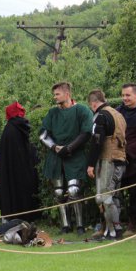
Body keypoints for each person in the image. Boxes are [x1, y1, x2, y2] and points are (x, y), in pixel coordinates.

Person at [40, 82, 93, 234]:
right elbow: (43, 134)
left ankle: (81, 225)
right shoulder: (52, 113)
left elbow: (86, 132)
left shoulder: (81, 110)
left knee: (74, 190)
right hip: (56, 156)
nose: (54, 97)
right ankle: (65, 225)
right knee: (58, 192)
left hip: (75, 156)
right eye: (54, 94)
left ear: (67, 94)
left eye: (57, 94)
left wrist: (69, 148)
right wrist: (55, 147)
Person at [86, 89, 126, 239]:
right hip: (120, 159)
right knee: (109, 196)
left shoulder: (101, 116)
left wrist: (90, 164)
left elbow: (97, 141)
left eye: (91, 106)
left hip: (107, 160)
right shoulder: (118, 114)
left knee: (105, 197)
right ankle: (112, 229)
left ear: (94, 103)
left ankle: (114, 231)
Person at [0, 102, 40, 222]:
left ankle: (13, 217)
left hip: (12, 171)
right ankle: (27, 217)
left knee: (12, 189)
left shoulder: (9, 129)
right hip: (25, 169)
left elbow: (4, 158)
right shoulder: (24, 127)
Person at [116, 83, 136, 235]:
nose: (124, 98)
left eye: (128, 95)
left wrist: (128, 153)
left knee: (135, 193)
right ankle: (113, 224)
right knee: (114, 192)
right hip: (118, 159)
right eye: (123, 95)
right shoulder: (118, 111)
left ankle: (133, 224)